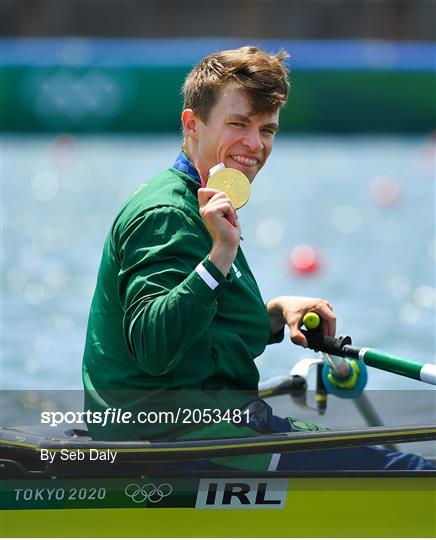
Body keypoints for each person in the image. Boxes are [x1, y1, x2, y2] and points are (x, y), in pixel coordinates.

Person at [82, 45, 434, 471]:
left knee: (389, 457)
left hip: (209, 425)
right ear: (193, 125)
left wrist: (277, 311)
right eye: (239, 124)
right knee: (416, 472)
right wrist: (220, 254)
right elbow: (154, 347)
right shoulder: (168, 214)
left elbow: (208, 327)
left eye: (267, 130)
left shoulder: (202, 200)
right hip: (176, 443)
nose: (255, 144)